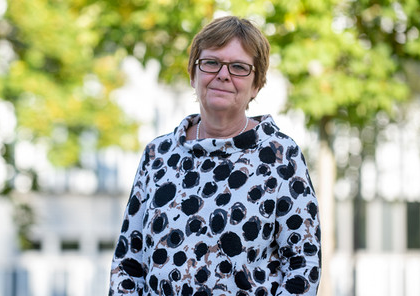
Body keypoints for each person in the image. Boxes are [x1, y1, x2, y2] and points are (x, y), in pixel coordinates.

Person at [109, 16, 321, 296]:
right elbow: (128, 263)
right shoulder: (158, 155)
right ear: (193, 74)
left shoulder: (280, 156)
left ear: (256, 85)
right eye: (211, 63)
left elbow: (302, 265)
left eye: (239, 67)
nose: (223, 74)